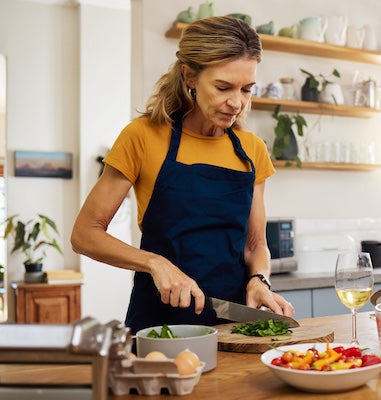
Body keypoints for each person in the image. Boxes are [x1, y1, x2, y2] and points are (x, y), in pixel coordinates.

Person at [71, 16, 294, 334]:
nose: (237, 102)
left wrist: (260, 279)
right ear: (189, 75)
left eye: (247, 89)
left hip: (233, 325)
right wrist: (154, 262)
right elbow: (84, 234)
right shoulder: (143, 136)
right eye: (223, 87)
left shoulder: (252, 149)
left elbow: (256, 243)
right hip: (159, 328)